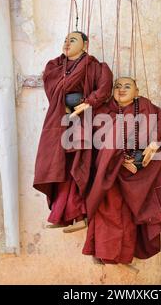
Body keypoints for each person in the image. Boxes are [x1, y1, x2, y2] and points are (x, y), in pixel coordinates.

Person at [82, 77, 161, 265]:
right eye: (117, 86)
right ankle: (106, 254)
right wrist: (117, 158)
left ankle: (126, 255)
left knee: (129, 218)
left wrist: (152, 146)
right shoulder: (103, 111)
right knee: (110, 214)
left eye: (128, 86)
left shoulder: (146, 107)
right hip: (110, 176)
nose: (122, 89)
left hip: (138, 174)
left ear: (137, 91)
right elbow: (98, 141)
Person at [33, 31, 113, 233]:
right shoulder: (55, 66)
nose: (67, 43)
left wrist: (87, 103)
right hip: (59, 121)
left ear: (85, 45)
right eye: (65, 39)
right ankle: (60, 214)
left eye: (73, 40)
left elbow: (104, 89)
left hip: (84, 122)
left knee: (78, 166)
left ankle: (80, 215)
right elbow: (52, 88)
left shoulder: (96, 67)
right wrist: (66, 107)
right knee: (58, 167)